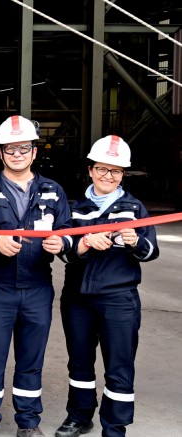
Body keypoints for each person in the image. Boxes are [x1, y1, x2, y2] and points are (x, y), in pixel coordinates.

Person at [0, 115, 73, 437]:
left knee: (31, 359)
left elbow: (69, 230)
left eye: (23, 148)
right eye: (10, 149)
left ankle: (28, 423)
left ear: (34, 151)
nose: (17, 154)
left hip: (38, 287)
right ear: (0, 152)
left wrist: (63, 242)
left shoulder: (52, 191)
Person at [56, 135, 158, 437]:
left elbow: (151, 251)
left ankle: (114, 427)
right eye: (102, 169)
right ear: (90, 170)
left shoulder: (134, 208)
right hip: (77, 298)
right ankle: (79, 416)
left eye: (115, 171)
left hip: (118, 299)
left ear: (122, 174)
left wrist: (135, 241)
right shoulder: (75, 208)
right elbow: (63, 249)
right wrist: (85, 243)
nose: (107, 176)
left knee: (119, 365)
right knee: (80, 363)